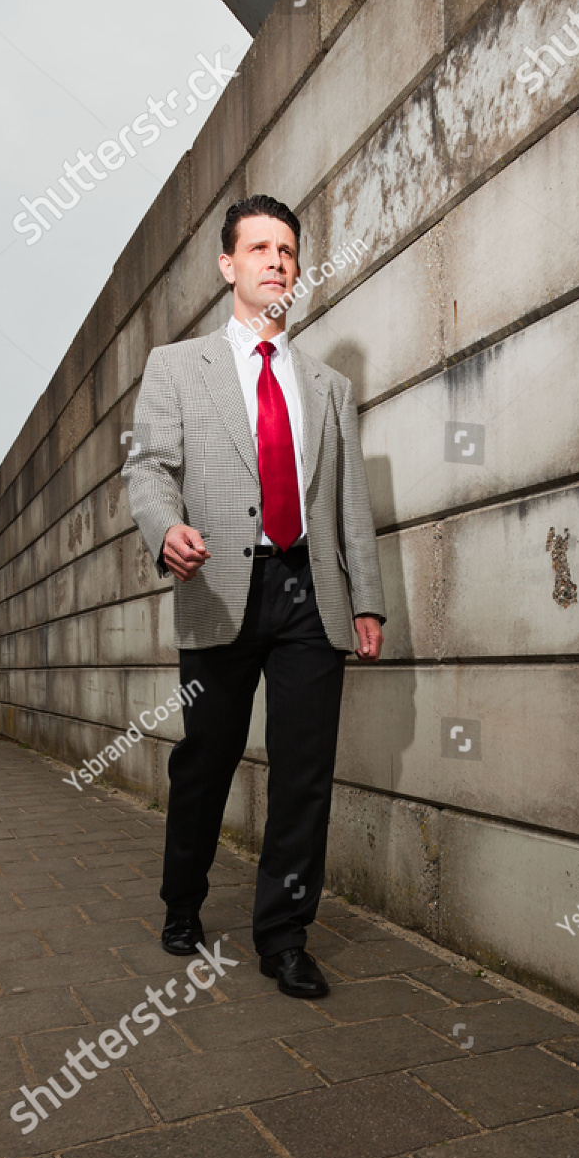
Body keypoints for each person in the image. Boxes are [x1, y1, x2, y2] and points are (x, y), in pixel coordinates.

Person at [122, 194, 385, 998]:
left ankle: (283, 938)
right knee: (208, 760)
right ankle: (182, 900)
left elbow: (347, 504)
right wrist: (164, 528)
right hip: (220, 590)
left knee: (304, 772)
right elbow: (148, 468)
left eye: (288, 251)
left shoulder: (328, 387)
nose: (277, 260)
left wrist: (365, 598)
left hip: (312, 592)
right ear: (228, 266)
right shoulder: (177, 365)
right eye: (260, 248)